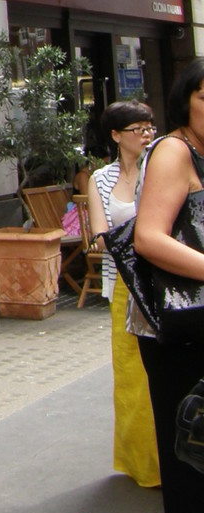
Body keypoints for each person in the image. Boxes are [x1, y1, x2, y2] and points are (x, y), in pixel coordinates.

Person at [130, 57, 204, 513]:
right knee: (192, 481)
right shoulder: (174, 153)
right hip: (182, 339)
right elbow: (151, 237)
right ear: (188, 101)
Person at [85, 100, 160, 488]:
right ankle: (142, 464)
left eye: (149, 127)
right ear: (116, 136)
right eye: (137, 129)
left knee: (165, 374)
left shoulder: (161, 166)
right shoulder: (100, 178)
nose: (146, 134)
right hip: (124, 287)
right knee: (132, 378)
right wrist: (103, 242)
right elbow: (101, 231)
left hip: (163, 283)